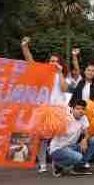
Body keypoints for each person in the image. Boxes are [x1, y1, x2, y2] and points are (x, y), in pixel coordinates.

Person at [22, 36, 67, 173]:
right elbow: (31, 62)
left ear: (60, 63)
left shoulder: (62, 75)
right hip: (44, 110)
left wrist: (59, 73)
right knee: (42, 139)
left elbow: (64, 89)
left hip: (58, 111)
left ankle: (55, 162)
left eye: (55, 61)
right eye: (51, 60)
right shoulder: (42, 73)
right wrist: (25, 47)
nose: (52, 62)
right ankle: (42, 163)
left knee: (57, 139)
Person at [49, 97, 93, 177]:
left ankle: (78, 166)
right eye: (77, 108)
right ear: (72, 109)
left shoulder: (83, 118)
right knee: (78, 157)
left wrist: (85, 139)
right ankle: (57, 165)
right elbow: (52, 130)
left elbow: (87, 133)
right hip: (58, 149)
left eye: (83, 109)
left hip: (72, 147)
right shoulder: (65, 118)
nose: (80, 111)